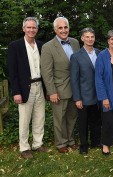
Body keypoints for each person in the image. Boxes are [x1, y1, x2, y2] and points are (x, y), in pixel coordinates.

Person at [7, 17, 47, 159]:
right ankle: (24, 147)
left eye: (34, 27)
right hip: (25, 87)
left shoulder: (41, 45)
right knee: (24, 118)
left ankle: (37, 143)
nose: (31, 30)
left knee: (39, 116)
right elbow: (12, 71)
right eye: (28, 27)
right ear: (23, 29)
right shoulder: (15, 46)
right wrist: (16, 92)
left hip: (39, 86)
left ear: (37, 29)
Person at [41, 17, 80, 153]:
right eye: (60, 28)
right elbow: (46, 72)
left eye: (65, 27)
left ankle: (71, 140)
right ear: (55, 30)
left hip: (75, 88)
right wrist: (51, 91)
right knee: (59, 118)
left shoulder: (75, 43)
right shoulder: (48, 47)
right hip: (58, 89)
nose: (63, 30)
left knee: (72, 116)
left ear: (68, 28)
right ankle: (61, 143)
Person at [70, 28, 101, 154]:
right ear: (82, 38)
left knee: (96, 121)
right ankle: (83, 145)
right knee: (83, 123)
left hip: (98, 95)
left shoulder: (100, 53)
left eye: (92, 37)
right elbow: (74, 79)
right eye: (87, 37)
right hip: (83, 96)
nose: (90, 39)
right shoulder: (76, 56)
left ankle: (95, 142)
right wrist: (77, 98)